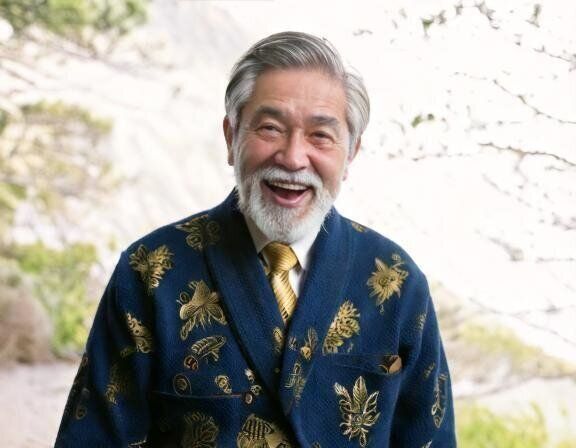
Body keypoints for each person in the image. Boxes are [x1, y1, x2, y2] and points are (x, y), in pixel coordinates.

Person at [55, 31, 456, 447]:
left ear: (350, 153)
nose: (293, 158)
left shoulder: (397, 281)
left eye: (320, 135)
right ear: (231, 137)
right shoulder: (150, 270)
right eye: (270, 128)